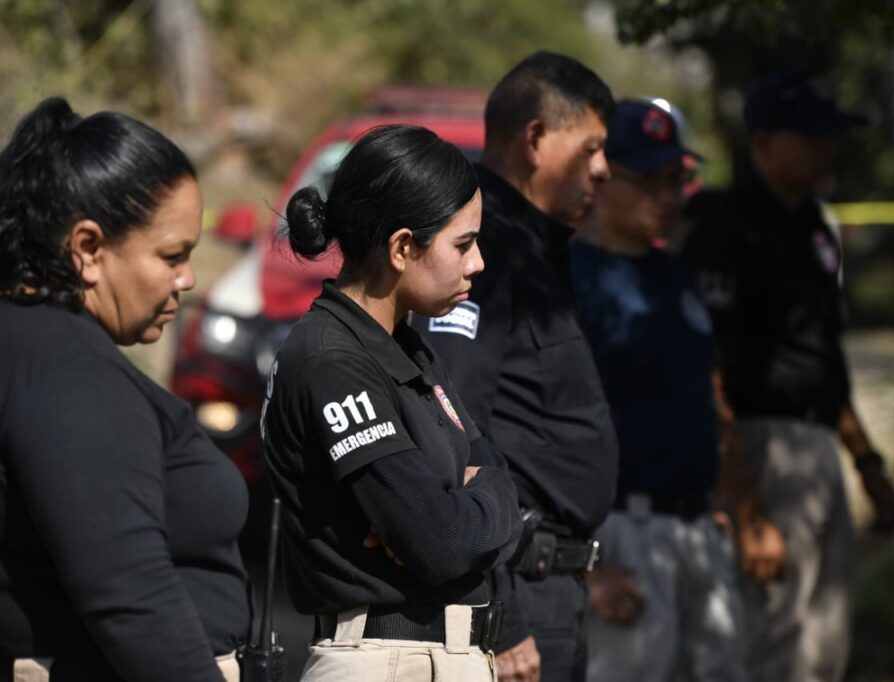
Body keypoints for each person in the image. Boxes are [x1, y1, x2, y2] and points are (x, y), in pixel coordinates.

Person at [259, 125, 522, 681]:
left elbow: (493, 474)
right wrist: (475, 503)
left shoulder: (406, 345)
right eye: (463, 245)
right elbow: (440, 543)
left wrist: (481, 496)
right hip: (384, 661)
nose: (478, 262)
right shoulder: (332, 360)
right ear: (402, 248)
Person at [0, 97, 248, 681]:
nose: (187, 278)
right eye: (172, 256)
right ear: (89, 249)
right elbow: (130, 592)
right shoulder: (71, 372)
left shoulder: (28, 342)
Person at [683, 69, 894, 682]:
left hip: (817, 449)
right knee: (777, 639)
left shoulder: (814, 227)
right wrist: (747, 505)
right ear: (763, 142)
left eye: (829, 136)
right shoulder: (727, 229)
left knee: (827, 641)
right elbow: (708, 371)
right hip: (761, 447)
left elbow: (824, 360)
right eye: (810, 137)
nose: (826, 149)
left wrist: (867, 462)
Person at [413, 51, 619, 682]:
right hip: (516, 595)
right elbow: (449, 427)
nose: (604, 169)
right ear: (534, 139)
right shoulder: (486, 250)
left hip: (551, 585)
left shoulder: (537, 247)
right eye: (590, 149)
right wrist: (495, 613)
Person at [572, 97, 784, 682]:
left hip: (698, 531)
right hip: (621, 533)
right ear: (600, 176)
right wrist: (582, 564)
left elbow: (708, 396)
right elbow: (540, 434)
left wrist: (743, 508)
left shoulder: (674, 272)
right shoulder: (569, 280)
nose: (667, 198)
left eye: (677, 180)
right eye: (648, 181)